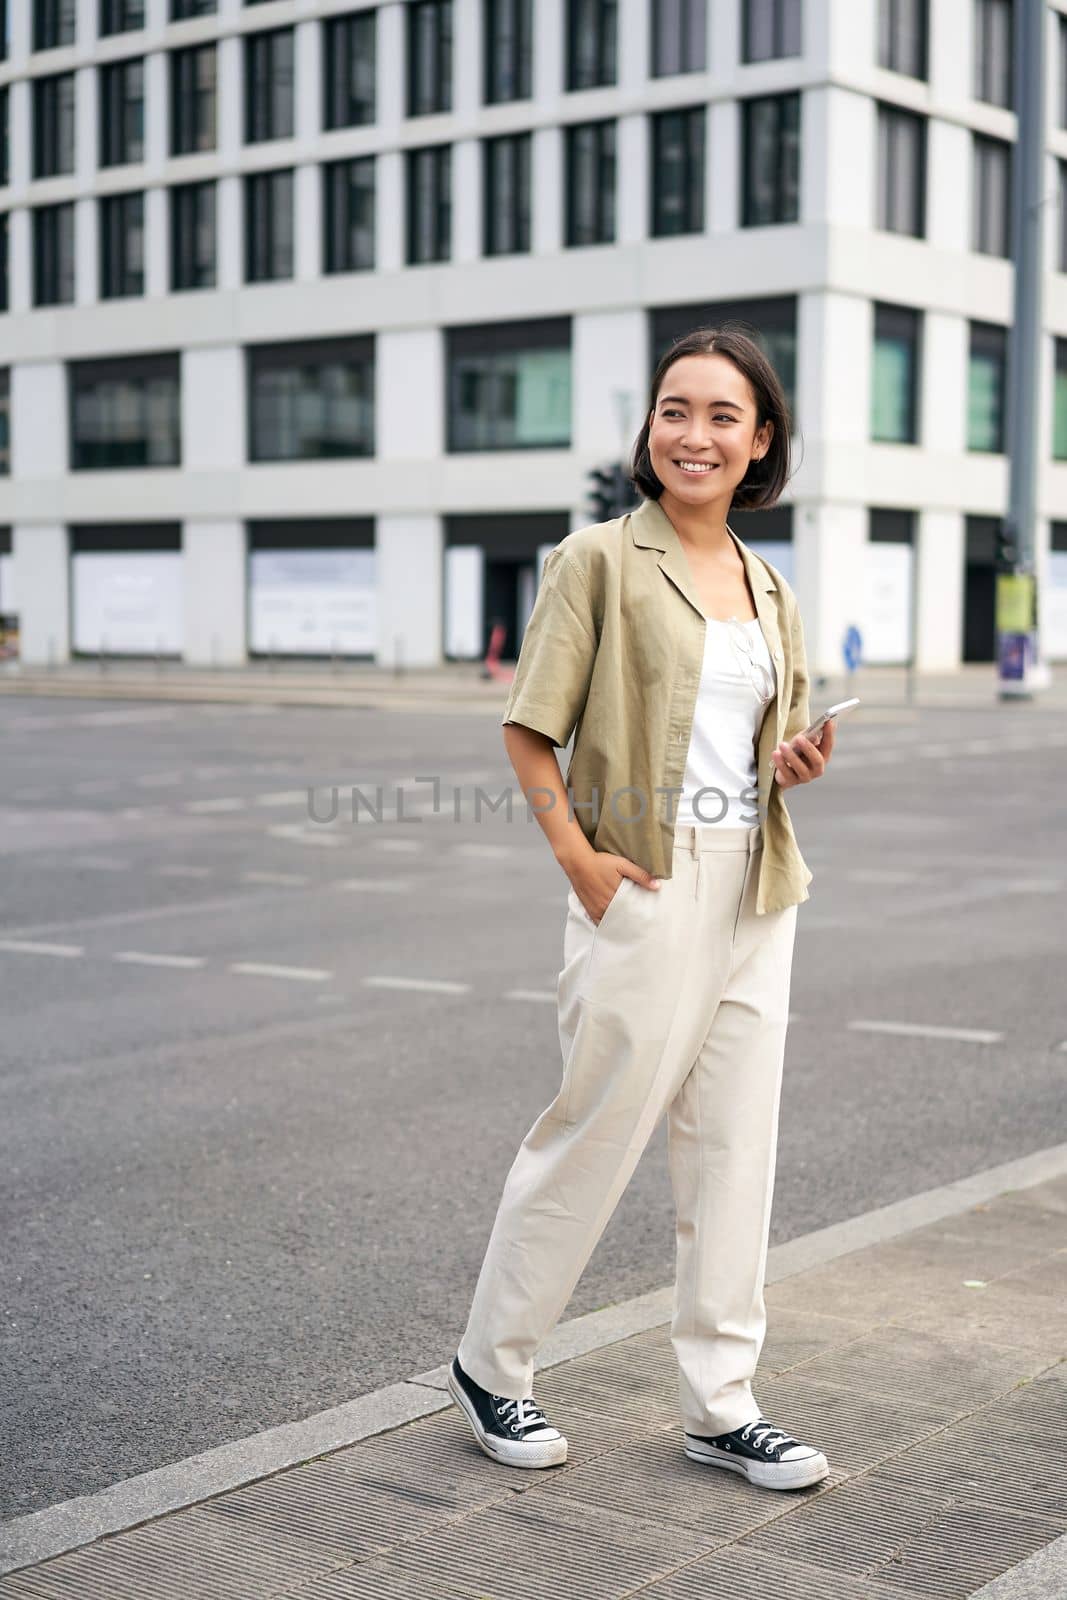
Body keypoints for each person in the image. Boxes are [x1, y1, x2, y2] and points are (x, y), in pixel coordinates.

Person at [448, 325, 837, 1493]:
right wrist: (577, 859)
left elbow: (748, 743)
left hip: (756, 887)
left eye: (723, 415)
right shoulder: (599, 562)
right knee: (594, 1130)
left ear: (760, 440)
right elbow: (528, 725)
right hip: (643, 879)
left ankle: (720, 1404)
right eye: (676, 409)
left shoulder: (768, 585)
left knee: (732, 1153)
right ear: (649, 429)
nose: (695, 434)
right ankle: (491, 1363)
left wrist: (794, 763)